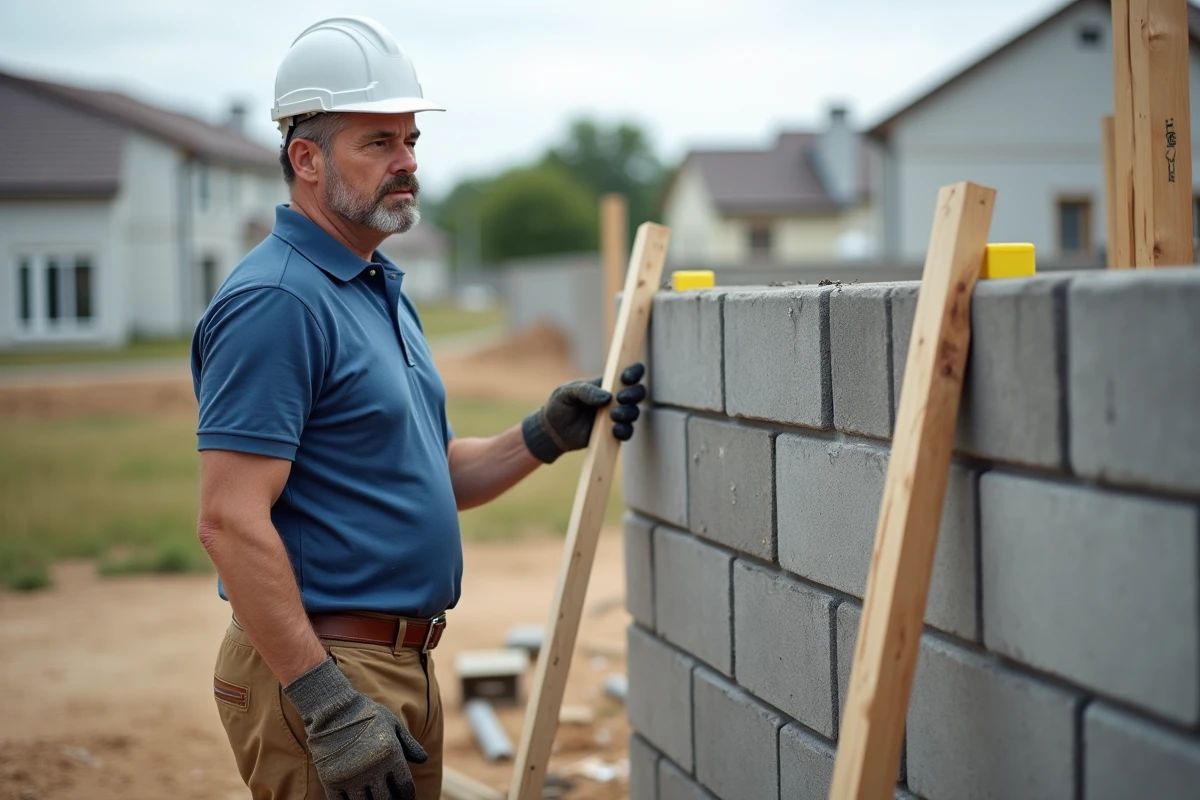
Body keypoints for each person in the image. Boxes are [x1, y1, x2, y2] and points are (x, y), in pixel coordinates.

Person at [191, 16, 646, 800]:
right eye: (378, 142)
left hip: (400, 666)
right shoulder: (277, 301)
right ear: (306, 158)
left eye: (410, 141)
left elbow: (430, 474)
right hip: (325, 674)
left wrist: (542, 435)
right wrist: (327, 704)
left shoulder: (374, 287)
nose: (406, 163)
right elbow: (230, 520)